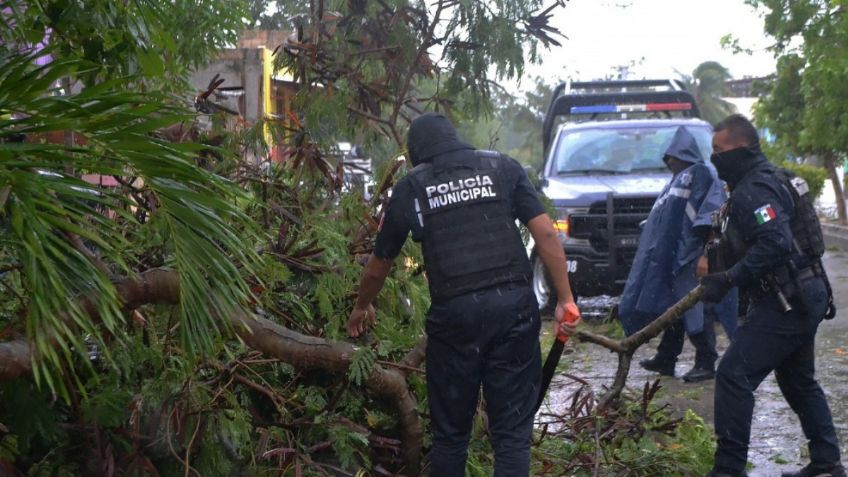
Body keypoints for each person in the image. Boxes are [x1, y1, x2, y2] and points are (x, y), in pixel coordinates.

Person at [346, 112, 580, 477]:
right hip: (514, 313)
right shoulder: (502, 168)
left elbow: (380, 262)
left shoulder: (413, 187)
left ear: (418, 152)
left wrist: (362, 306)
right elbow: (546, 234)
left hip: (456, 321)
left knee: (451, 437)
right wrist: (565, 299)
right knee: (512, 436)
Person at [701, 114, 843, 477]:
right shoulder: (767, 179)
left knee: (734, 375)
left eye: (719, 150)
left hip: (788, 299)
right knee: (798, 380)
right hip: (801, 294)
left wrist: (729, 278)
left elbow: (776, 243)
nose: (714, 157)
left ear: (742, 148)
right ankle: (827, 463)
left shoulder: (756, 189)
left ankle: (729, 469)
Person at [618, 126, 737, 382]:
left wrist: (706, 255)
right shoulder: (678, 179)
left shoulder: (702, 175)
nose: (668, 160)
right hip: (675, 258)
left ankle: (706, 362)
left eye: (672, 155)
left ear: (682, 155)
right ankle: (666, 357)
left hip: (692, 258)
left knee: (696, 311)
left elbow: (711, 217)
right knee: (674, 309)